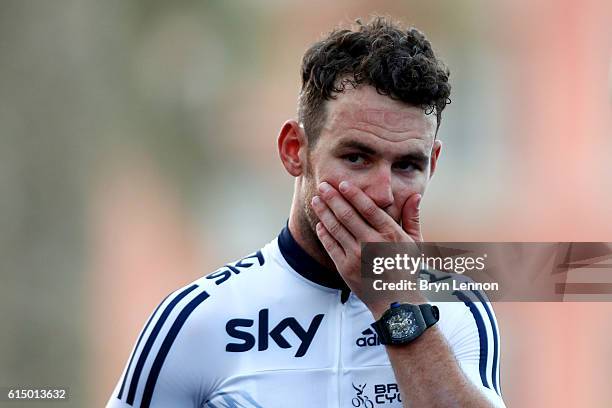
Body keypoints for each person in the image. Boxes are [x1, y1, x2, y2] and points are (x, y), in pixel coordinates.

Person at [107, 17, 504, 408]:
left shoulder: (459, 310)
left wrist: (400, 306)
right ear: (294, 150)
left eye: (407, 166)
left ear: (432, 166)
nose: (383, 194)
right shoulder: (197, 320)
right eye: (356, 157)